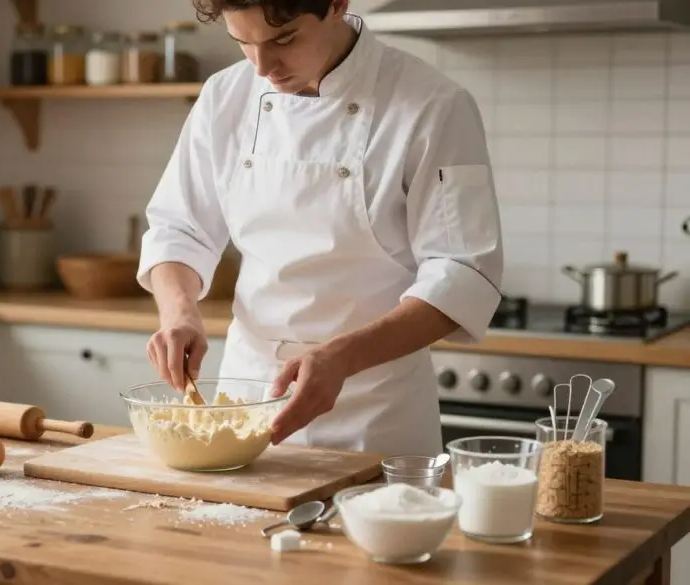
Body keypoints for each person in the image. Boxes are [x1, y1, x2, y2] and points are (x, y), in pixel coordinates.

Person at [136, 0, 503, 458]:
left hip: (374, 412)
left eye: (284, 40)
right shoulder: (223, 97)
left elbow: (461, 274)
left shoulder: (432, 105)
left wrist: (340, 358)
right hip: (245, 401)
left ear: (337, 5)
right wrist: (179, 312)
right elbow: (179, 228)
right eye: (243, 43)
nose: (264, 67)